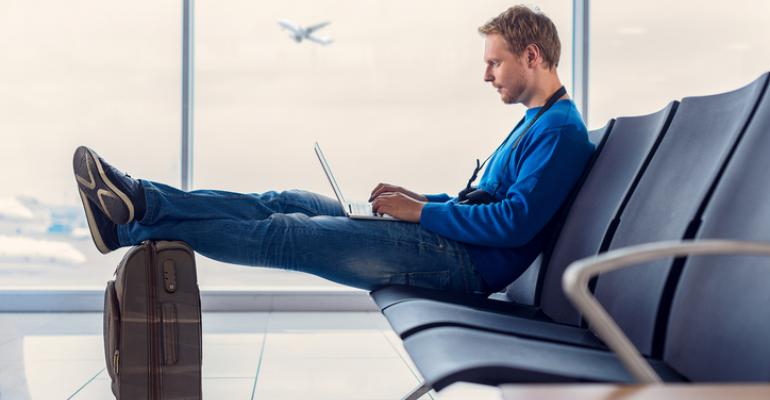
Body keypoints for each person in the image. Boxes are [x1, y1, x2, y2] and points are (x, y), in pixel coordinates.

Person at [73, 5, 593, 295]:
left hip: (462, 266)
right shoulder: (537, 122)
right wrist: (418, 200)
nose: (486, 75)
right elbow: (486, 200)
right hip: (447, 244)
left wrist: (422, 213)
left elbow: (514, 224)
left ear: (532, 55)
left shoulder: (561, 131)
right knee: (283, 199)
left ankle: (128, 224)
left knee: (288, 233)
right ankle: (142, 199)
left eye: (494, 63)